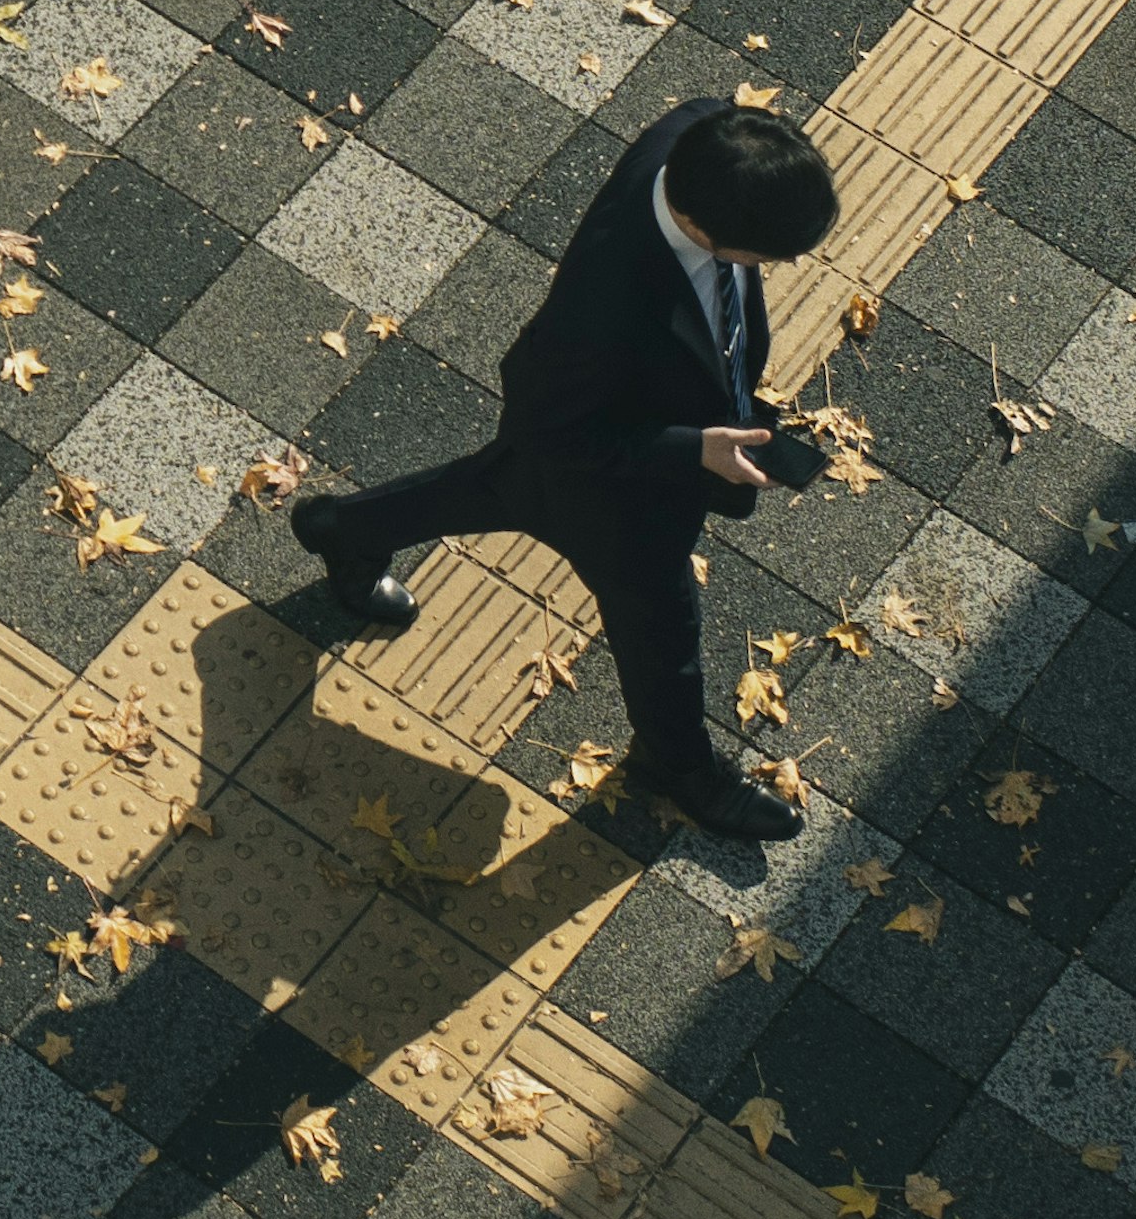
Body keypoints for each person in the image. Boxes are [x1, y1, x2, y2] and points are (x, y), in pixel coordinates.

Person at [288, 97, 835, 845]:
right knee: (661, 629)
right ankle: (679, 766)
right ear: (707, 232)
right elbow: (556, 433)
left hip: (589, 424)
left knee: (493, 488)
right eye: (763, 258)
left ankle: (338, 528)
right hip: (610, 489)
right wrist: (691, 449)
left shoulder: (699, 134)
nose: (770, 271)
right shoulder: (607, 298)